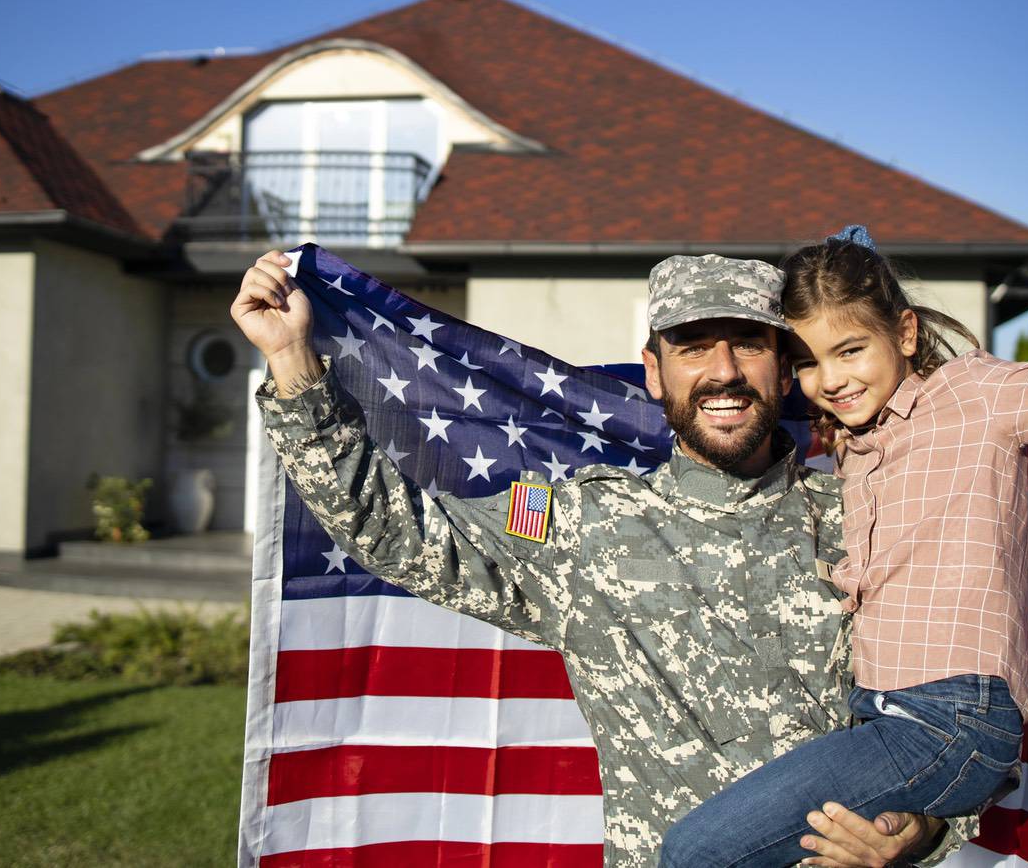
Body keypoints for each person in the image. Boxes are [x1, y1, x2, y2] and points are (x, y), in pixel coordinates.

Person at [232, 247, 979, 868]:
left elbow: (963, 716)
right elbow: (396, 529)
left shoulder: (874, 519)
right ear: (654, 371)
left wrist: (926, 833)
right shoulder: (582, 523)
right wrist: (295, 361)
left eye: (748, 342)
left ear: (785, 369)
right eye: (693, 346)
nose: (722, 370)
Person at [660, 225, 1028, 867]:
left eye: (851, 350)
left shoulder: (973, 395)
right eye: (807, 362)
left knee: (694, 852)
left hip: (950, 720)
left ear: (905, 334)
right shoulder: (849, 447)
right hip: (879, 718)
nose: (830, 380)